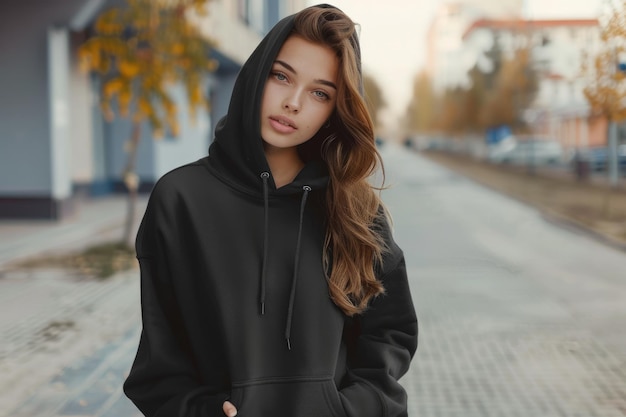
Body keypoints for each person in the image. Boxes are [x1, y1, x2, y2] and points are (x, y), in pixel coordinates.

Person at [123, 4, 418, 417]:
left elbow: (390, 332)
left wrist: (350, 409)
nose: (293, 103)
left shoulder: (355, 209)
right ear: (256, 74)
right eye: (282, 76)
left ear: (335, 109)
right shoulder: (180, 199)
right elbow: (160, 359)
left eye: (320, 93)